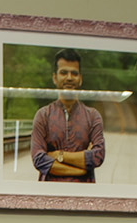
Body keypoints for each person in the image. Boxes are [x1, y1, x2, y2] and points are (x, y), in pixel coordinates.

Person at [29, 49, 105, 183]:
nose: (69, 78)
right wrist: (81, 170)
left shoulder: (92, 116)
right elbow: (39, 160)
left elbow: (98, 156)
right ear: (54, 77)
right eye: (63, 72)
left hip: (84, 195)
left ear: (80, 78)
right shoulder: (43, 115)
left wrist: (59, 155)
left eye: (74, 73)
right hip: (49, 195)